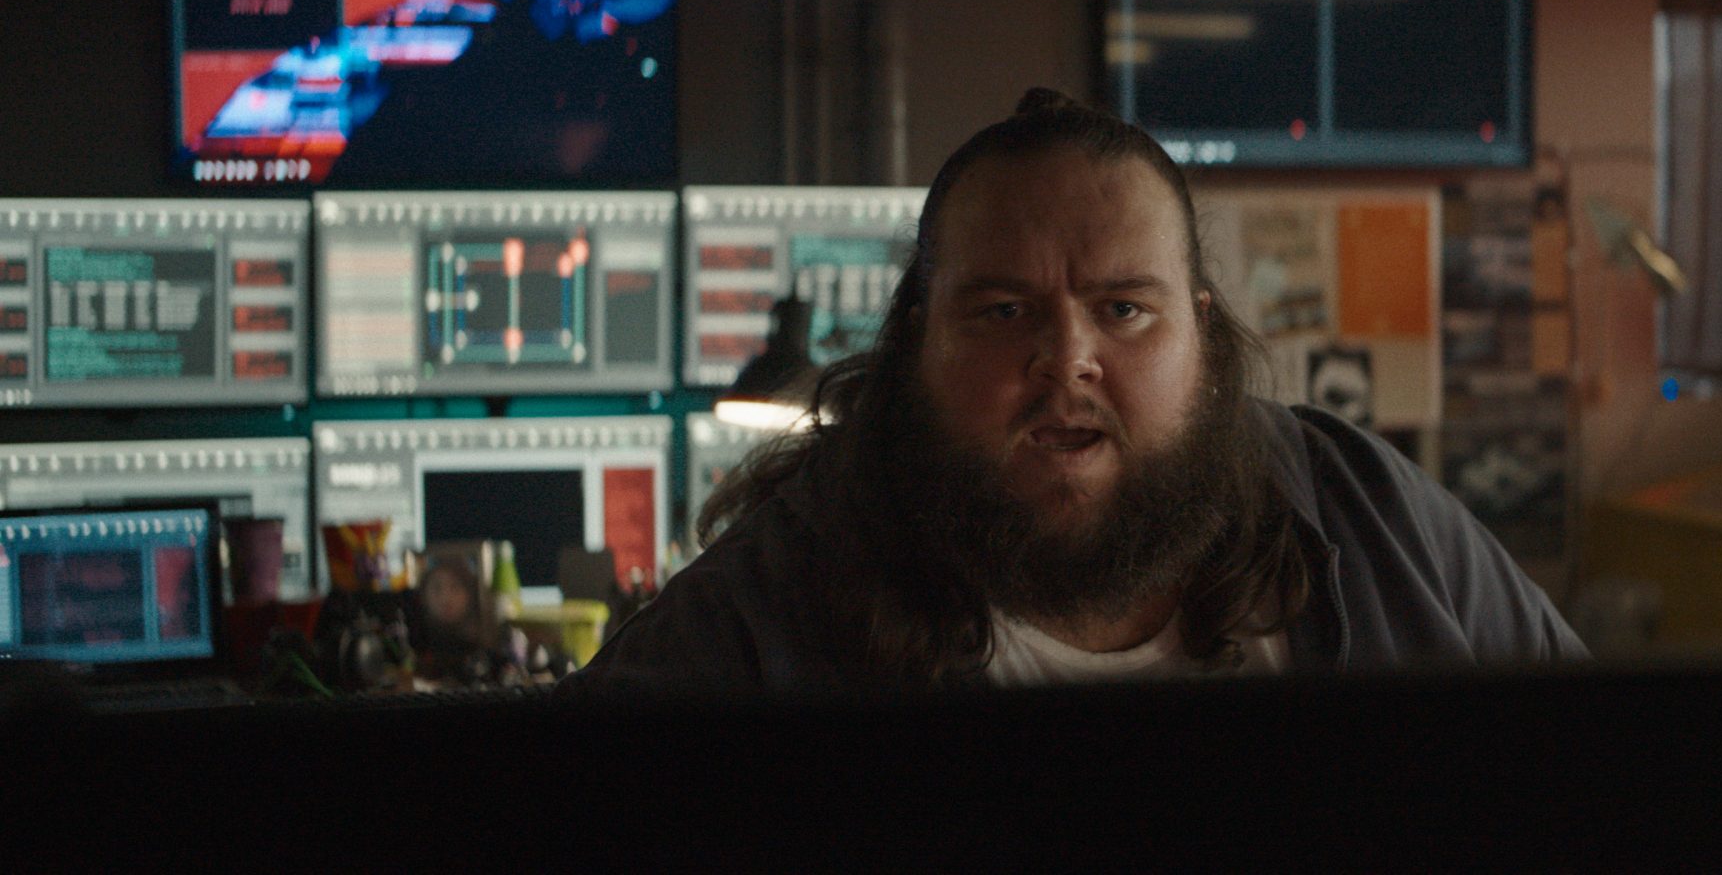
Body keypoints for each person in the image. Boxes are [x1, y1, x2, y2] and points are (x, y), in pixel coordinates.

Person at [566, 89, 1582, 694]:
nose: (1067, 358)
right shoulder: (762, 614)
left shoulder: (1370, 514)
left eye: (1124, 310)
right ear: (916, 341)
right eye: (1003, 312)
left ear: (1205, 337)